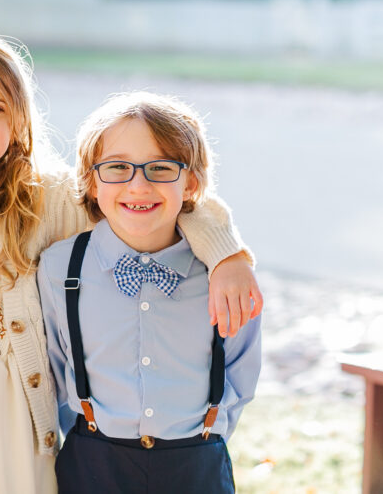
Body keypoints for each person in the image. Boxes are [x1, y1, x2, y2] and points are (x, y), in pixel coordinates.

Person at [0, 27, 262, 494]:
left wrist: (226, 256)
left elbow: (146, 203)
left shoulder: (46, 201)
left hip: (17, 446)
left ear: (19, 123)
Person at [37, 91, 262, 494]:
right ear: (90, 181)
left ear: (191, 182)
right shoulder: (59, 269)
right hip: (94, 466)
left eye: (160, 168)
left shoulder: (224, 274)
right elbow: (55, 367)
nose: (138, 185)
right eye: (117, 167)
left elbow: (241, 370)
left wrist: (210, 431)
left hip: (195, 466)